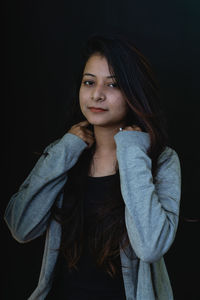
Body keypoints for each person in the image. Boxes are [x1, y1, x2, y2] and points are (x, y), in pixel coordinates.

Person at [4, 33, 181, 300]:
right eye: (89, 82)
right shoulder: (67, 153)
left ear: (134, 92)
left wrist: (132, 150)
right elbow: (21, 227)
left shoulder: (162, 160)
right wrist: (65, 149)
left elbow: (150, 247)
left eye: (113, 85)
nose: (97, 95)